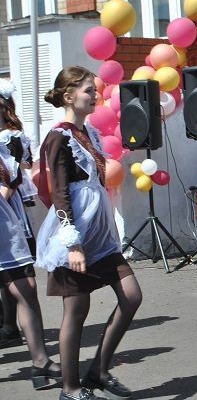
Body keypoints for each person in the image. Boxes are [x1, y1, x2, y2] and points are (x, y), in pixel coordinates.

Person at [36, 66, 143, 400]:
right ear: (68, 96)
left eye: (95, 90)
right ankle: (70, 389)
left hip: (100, 237)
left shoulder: (90, 133)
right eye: (87, 90)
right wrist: (72, 243)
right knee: (77, 311)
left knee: (131, 296)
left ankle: (98, 368)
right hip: (75, 239)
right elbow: (60, 192)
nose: (95, 95)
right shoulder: (59, 137)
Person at [0, 79, 62, 390]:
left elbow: (13, 175)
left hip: (6, 223)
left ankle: (40, 363)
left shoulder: (9, 139)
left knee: (25, 287)